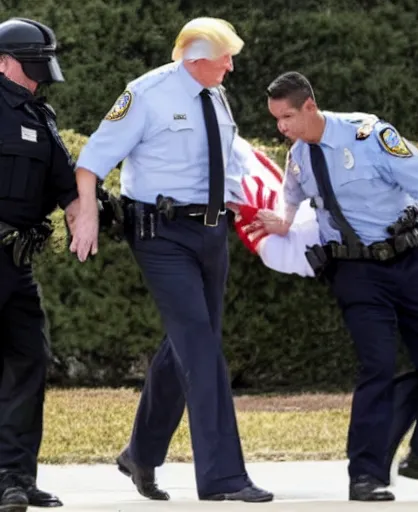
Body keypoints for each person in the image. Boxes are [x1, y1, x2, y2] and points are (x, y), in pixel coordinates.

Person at [69, 17, 273, 503]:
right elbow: (92, 161)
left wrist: (256, 201)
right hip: (160, 234)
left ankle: (140, 454)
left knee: (187, 345)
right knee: (201, 349)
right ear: (195, 58)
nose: (231, 65)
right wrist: (89, 217)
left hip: (211, 230)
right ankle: (224, 478)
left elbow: (225, 161)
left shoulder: (215, 94)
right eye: (225, 57)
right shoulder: (147, 93)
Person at [256, 71, 418, 501]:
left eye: (287, 116)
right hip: (355, 274)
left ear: (310, 106)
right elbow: (292, 195)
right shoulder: (300, 156)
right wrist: (282, 222)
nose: (281, 127)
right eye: (275, 120)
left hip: (409, 261)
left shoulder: (370, 136)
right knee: (376, 367)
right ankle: (365, 475)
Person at [0, 17, 80, 512]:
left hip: (18, 265)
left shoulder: (40, 116)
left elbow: (65, 183)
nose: (37, 76)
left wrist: (86, 209)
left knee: (29, 363)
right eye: (30, 67)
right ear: (3, 63)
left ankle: (16, 476)